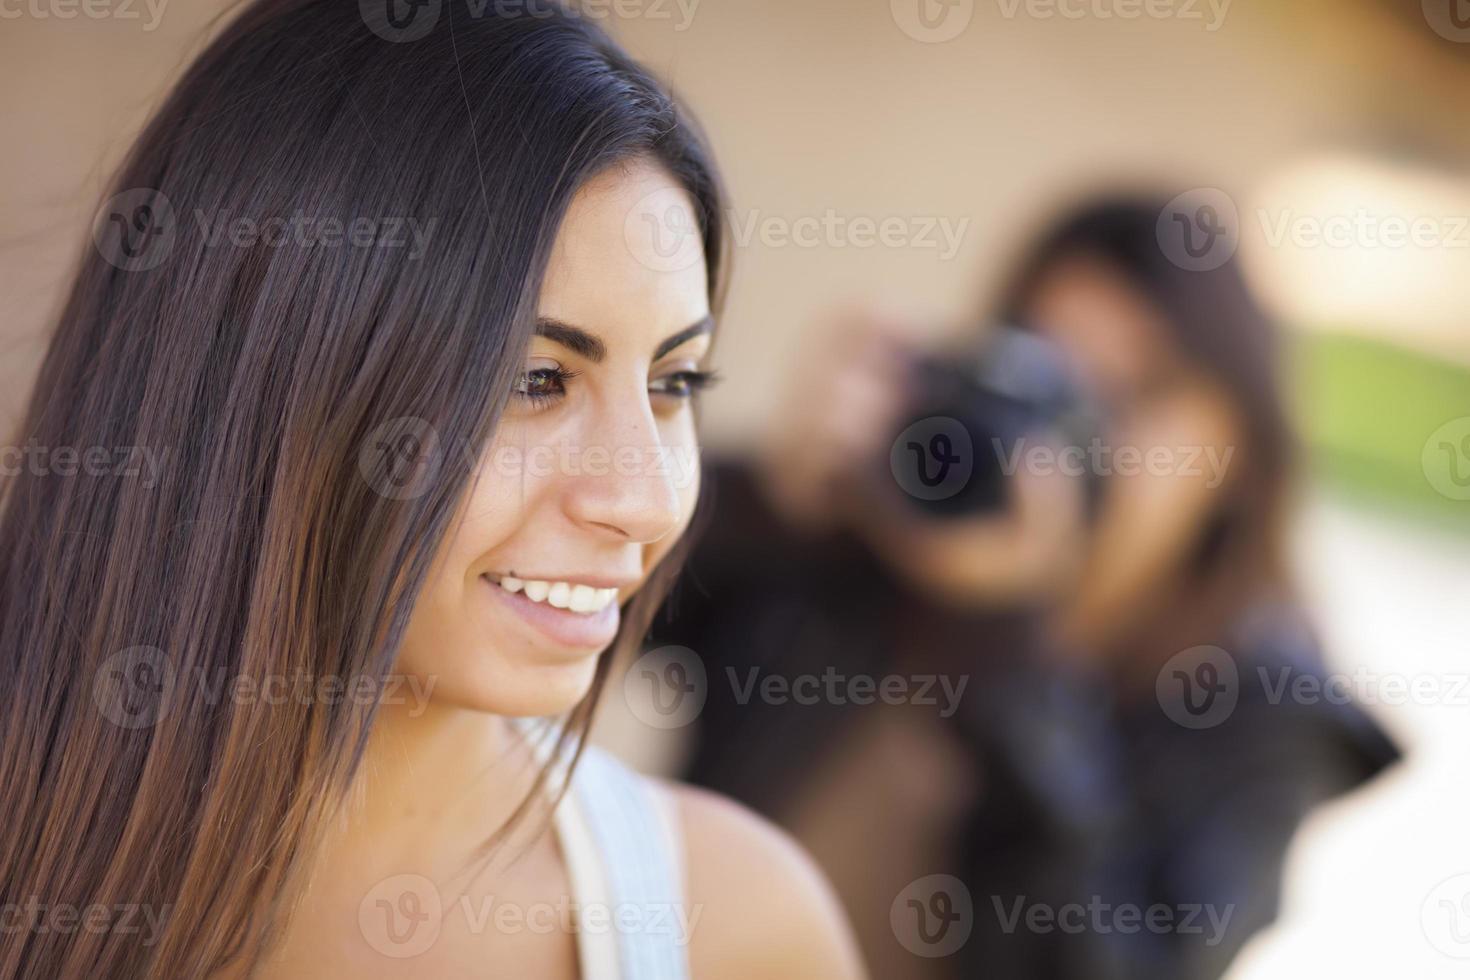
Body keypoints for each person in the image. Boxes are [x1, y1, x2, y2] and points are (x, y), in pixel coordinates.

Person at [0, 3, 865, 978]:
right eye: (533, 380)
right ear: (270, 377)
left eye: (674, 384)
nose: (647, 499)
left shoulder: (740, 925)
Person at [655, 197, 1399, 978]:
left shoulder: (1261, 721)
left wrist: (1012, 655)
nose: (1079, 430)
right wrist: (768, 503)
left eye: (1138, 390)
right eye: (1045, 371)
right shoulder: (867, 559)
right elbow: (579, 635)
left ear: (1238, 453)